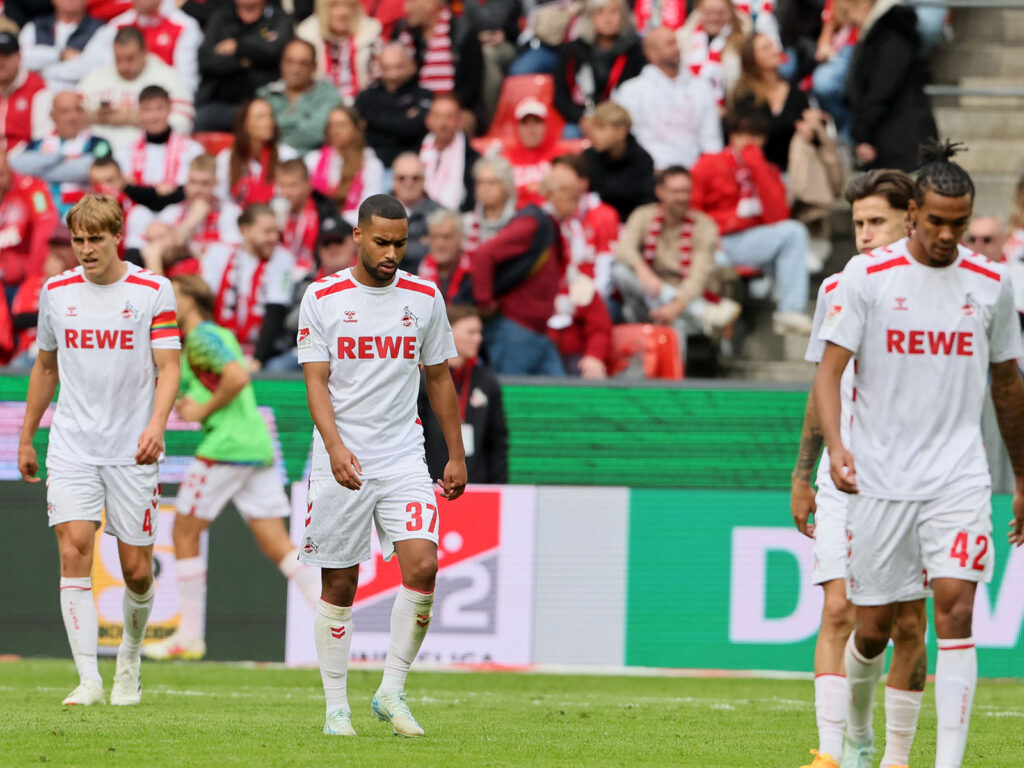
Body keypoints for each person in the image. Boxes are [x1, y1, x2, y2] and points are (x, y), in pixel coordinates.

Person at [814, 141, 1024, 768]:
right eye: (936, 221)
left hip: (958, 477)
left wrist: (1023, 474)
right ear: (914, 215)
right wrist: (837, 447)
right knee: (872, 629)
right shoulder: (867, 277)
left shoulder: (991, 284)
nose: (947, 235)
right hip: (880, 479)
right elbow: (828, 375)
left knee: (955, 605)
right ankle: (856, 735)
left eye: (960, 224)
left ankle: (946, 763)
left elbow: (1008, 384)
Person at [297, 193, 467, 738]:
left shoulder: (424, 297)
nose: (392, 252)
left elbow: (439, 378)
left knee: (423, 565)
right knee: (341, 583)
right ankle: (335, 707)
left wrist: (456, 454)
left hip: (403, 457)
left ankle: (391, 690)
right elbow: (315, 381)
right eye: (382, 242)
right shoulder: (322, 296)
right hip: (338, 458)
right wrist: (335, 445)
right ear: (358, 235)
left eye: (400, 243)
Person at [17, 193, 181, 706]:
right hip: (73, 445)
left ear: (117, 236)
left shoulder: (154, 290)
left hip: (133, 448)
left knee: (136, 570)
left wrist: (157, 424)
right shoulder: (57, 292)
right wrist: (27, 435)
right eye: (78, 240)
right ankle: (88, 678)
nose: (85, 249)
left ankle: (129, 657)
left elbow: (169, 366)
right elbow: (45, 367)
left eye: (95, 239)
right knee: (73, 550)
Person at [791, 168, 929, 768]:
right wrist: (803, 473)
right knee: (839, 609)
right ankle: (832, 751)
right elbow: (821, 386)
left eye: (878, 222)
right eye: (858, 224)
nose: (866, 235)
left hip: (918, 478)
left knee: (905, 627)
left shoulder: (943, 291)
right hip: (844, 477)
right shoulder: (837, 289)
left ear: (911, 219)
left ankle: (892, 755)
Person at [143, 274, 322, 661]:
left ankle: (189, 636)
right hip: (255, 445)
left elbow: (237, 378)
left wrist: (203, 409)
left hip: (226, 446)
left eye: (174, 295)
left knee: (184, 530)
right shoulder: (217, 335)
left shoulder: (202, 338)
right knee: (279, 546)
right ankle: (336, 623)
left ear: (190, 299)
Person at [690, 108, 812, 335]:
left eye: (756, 136)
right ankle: (711, 315)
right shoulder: (709, 164)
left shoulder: (768, 170)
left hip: (748, 241)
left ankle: (789, 312)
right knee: (713, 258)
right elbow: (692, 210)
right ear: (732, 135)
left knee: (794, 232)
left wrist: (757, 168)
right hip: (714, 241)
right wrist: (707, 238)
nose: (750, 141)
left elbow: (778, 217)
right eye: (743, 134)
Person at [615, 165, 740, 346]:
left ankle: (672, 374)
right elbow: (624, 248)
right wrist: (643, 271)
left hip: (685, 298)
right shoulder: (643, 215)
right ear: (660, 192)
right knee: (620, 270)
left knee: (675, 324)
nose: (682, 198)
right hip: (647, 295)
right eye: (676, 192)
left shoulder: (703, 225)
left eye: (686, 191)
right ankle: (702, 312)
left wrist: (677, 305)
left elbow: (699, 275)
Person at [611, 26, 722, 171]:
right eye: (669, 44)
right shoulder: (631, 90)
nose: (676, 48)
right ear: (651, 53)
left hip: (695, 172)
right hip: (649, 172)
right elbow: (627, 139)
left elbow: (711, 139)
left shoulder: (701, 87)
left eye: (676, 42)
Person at [419, 304, 507, 483]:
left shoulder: (487, 381)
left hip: (478, 484)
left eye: (480, 332)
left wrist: (499, 484)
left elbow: (497, 440)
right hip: (430, 481)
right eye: (471, 332)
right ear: (449, 333)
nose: (478, 339)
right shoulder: (424, 379)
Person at [846, 0, 937, 172]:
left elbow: (880, 91)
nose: (848, 20)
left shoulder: (892, 38)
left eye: (847, 12)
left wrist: (861, 134)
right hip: (892, 140)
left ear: (864, 5)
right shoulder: (881, 37)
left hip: (904, 144)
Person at [202, 204, 295, 368]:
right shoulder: (218, 253)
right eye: (267, 232)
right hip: (221, 346)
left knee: (277, 367)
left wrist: (257, 361)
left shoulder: (282, 258)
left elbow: (275, 313)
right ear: (245, 231)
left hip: (263, 352)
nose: (274, 238)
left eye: (276, 232)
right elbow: (204, 302)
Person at [77, 27, 193, 150]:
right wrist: (95, 116)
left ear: (144, 52)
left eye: (130, 59)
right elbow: (64, 116)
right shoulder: (95, 77)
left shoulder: (167, 77)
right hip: (95, 154)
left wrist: (133, 118)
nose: (124, 66)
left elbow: (182, 124)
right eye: (119, 59)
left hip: (147, 154)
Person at [730, 33, 825, 174]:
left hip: (797, 173)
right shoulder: (744, 95)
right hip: (758, 173)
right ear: (752, 58)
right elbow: (756, 131)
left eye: (773, 46)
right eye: (765, 48)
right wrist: (797, 119)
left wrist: (812, 129)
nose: (775, 51)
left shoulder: (795, 92)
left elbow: (814, 138)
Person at [195, 0, 294, 132]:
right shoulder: (221, 16)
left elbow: (275, 52)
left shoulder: (279, 18)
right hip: (219, 103)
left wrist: (238, 46)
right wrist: (242, 62)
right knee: (200, 119)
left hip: (264, 101)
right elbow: (206, 59)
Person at [553, 0, 645, 137]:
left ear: (624, 16)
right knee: (570, 133)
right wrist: (581, 118)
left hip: (621, 120)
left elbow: (641, 95)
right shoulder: (573, 51)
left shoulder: (636, 51)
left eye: (614, 12)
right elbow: (561, 96)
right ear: (590, 17)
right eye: (600, 12)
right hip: (583, 118)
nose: (607, 19)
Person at [11, 91, 112, 215]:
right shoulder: (37, 144)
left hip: (83, 214)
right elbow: (16, 165)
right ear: (52, 115)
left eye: (78, 110)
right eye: (65, 112)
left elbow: (90, 170)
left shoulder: (98, 143)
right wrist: (62, 158)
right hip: (42, 212)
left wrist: (38, 171)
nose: (73, 117)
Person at [391, 0, 483, 119]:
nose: (407, 9)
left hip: (455, 108)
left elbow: (471, 85)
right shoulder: (404, 33)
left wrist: (441, 109)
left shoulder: (462, 31)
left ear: (432, 3)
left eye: (412, 2)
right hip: (413, 105)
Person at [90, 0, 202, 95]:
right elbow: (94, 67)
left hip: (162, 100)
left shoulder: (183, 26)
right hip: (121, 97)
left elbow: (187, 82)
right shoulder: (117, 24)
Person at [354, 42, 434, 170]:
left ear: (412, 65)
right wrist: (404, 118)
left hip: (413, 166)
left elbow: (415, 127)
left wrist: (373, 119)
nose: (393, 75)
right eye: (387, 68)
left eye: (398, 67)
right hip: (372, 165)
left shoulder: (424, 95)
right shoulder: (366, 96)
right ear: (379, 67)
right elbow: (356, 130)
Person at [257, 39, 343, 157]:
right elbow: (255, 134)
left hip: (315, 163)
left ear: (314, 67)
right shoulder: (266, 94)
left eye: (303, 63)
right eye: (289, 62)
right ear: (281, 63)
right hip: (271, 161)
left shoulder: (329, 94)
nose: (295, 69)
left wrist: (278, 130)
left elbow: (318, 133)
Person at [114, 85, 202, 194]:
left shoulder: (193, 150)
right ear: (139, 113)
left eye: (159, 109)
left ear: (170, 109)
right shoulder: (125, 151)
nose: (154, 116)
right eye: (147, 110)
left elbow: (194, 190)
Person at [305, 105, 385, 225]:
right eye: (332, 125)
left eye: (342, 125)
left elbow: (369, 210)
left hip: (353, 228)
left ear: (355, 129)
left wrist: (336, 221)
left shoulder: (370, 164)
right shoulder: (313, 159)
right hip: (316, 225)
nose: (335, 131)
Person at [0, 147, 60, 302]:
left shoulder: (33, 190)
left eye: (2, 174)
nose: (1, 181)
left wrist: (32, 281)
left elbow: (45, 228)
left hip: (21, 281)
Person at [215, 99, 298, 208]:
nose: (268, 122)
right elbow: (220, 199)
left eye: (270, 116)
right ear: (244, 124)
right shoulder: (226, 158)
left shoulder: (287, 155)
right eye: (260, 117)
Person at [583, 101, 656, 223]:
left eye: (601, 128)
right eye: (593, 128)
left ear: (621, 131)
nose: (593, 134)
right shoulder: (588, 156)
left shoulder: (642, 160)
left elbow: (646, 206)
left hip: (630, 226)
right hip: (596, 225)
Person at [296, 0, 381, 104]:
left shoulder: (371, 35)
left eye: (348, 6)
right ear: (324, 10)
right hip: (316, 104)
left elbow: (378, 80)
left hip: (362, 104)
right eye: (335, 6)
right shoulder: (307, 37)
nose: (343, 12)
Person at [158, 153, 243, 256]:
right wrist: (192, 221)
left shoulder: (231, 213)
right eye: (192, 182)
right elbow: (161, 250)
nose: (197, 190)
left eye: (204, 183)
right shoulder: (171, 211)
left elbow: (233, 253)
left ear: (215, 183)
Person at [676, 0, 749, 109]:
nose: (715, 18)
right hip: (686, 109)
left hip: (729, 111)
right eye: (708, 12)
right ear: (699, 12)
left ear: (731, 12)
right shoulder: (682, 39)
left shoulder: (744, 41)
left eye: (721, 13)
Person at [17, 0, 104, 91]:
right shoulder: (35, 26)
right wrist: (60, 55)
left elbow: (93, 67)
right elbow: (20, 58)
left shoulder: (100, 29)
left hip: (78, 94)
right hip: (36, 93)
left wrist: (42, 70)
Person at [419, 94, 479, 213]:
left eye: (449, 117)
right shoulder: (416, 152)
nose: (443, 124)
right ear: (428, 120)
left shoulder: (473, 159)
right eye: (438, 116)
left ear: (459, 121)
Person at [502, 97, 564, 208]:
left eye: (537, 122)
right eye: (525, 123)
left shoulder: (562, 157)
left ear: (547, 125)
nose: (531, 129)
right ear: (517, 127)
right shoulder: (504, 159)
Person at [0, 29, 55, 148]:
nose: (1, 62)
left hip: (22, 159)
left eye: (7, 56)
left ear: (19, 57)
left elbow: (43, 138)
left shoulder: (37, 88)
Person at [275, 158, 328, 274]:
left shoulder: (324, 212)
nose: (286, 192)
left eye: (292, 185)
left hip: (313, 276)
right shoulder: (272, 212)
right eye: (282, 186)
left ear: (308, 184)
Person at [391, 152, 441, 274]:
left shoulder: (440, 214)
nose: (409, 183)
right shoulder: (377, 211)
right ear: (393, 181)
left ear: (424, 180)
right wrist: (420, 243)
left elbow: (441, 252)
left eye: (415, 178)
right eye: (402, 178)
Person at [418, 207, 472, 305]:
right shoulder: (417, 271)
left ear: (460, 238)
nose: (440, 244)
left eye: (447, 237)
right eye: (434, 237)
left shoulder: (474, 271)